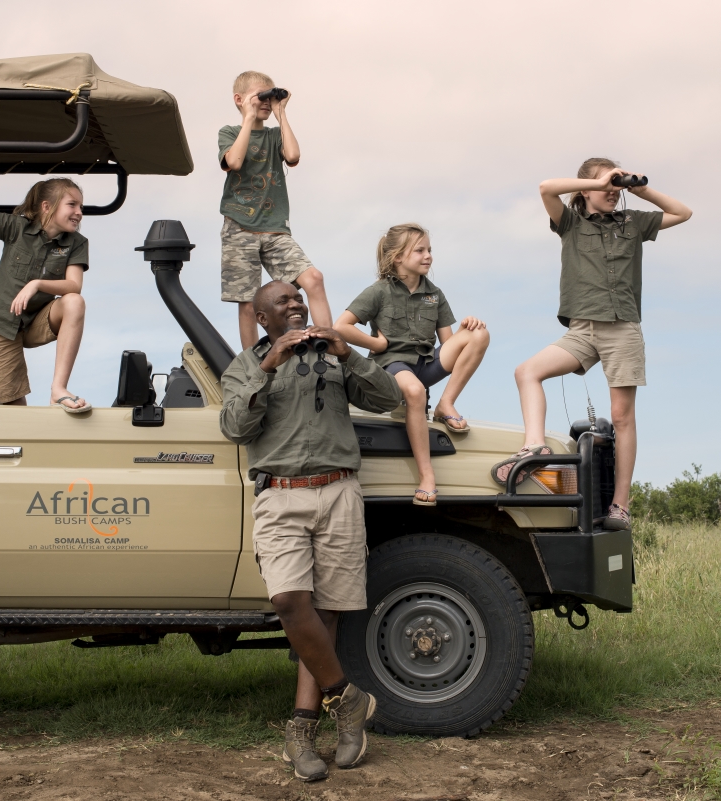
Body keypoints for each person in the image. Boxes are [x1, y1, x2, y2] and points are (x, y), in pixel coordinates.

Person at [219, 280, 401, 782]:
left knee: (325, 615)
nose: (296, 304)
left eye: (298, 298)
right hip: (279, 494)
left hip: (339, 489)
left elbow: (388, 399)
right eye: (283, 301)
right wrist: (267, 366)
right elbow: (235, 428)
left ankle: (302, 729)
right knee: (288, 603)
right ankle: (349, 699)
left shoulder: (335, 354)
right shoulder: (244, 366)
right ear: (262, 317)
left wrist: (352, 355)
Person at [493, 158, 692, 529]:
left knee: (621, 417)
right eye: (605, 187)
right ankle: (534, 446)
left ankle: (620, 505)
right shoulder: (569, 222)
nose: (613, 192)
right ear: (585, 189)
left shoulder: (633, 222)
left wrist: (636, 187)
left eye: (616, 187)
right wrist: (601, 180)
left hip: (622, 328)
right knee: (527, 372)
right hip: (582, 330)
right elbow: (545, 187)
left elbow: (683, 212)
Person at [335, 223, 490, 506]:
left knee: (479, 333)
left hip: (425, 364)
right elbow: (341, 327)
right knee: (416, 391)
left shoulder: (435, 294)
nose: (428, 255)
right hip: (391, 366)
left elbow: (450, 343)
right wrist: (377, 345)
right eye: (419, 250)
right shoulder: (378, 291)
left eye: (429, 249)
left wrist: (469, 327)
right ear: (397, 257)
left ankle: (446, 404)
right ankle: (426, 476)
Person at [0, 135, 91, 412]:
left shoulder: (77, 243)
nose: (79, 212)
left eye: (81, 207)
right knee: (16, 411)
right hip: (2, 325)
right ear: (47, 207)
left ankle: (58, 390)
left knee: (74, 302)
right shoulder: (16, 228)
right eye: (72, 205)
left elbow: (74, 286)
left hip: (37, 321)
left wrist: (36, 283)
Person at [219, 71, 330, 349]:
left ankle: (328, 349)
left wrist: (281, 113)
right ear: (239, 99)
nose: (268, 102)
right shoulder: (229, 132)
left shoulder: (274, 135)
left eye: (272, 95)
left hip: (275, 227)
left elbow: (292, 156)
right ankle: (252, 367)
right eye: (262, 96)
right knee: (247, 301)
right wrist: (248, 116)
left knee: (313, 279)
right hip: (240, 226)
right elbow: (234, 160)